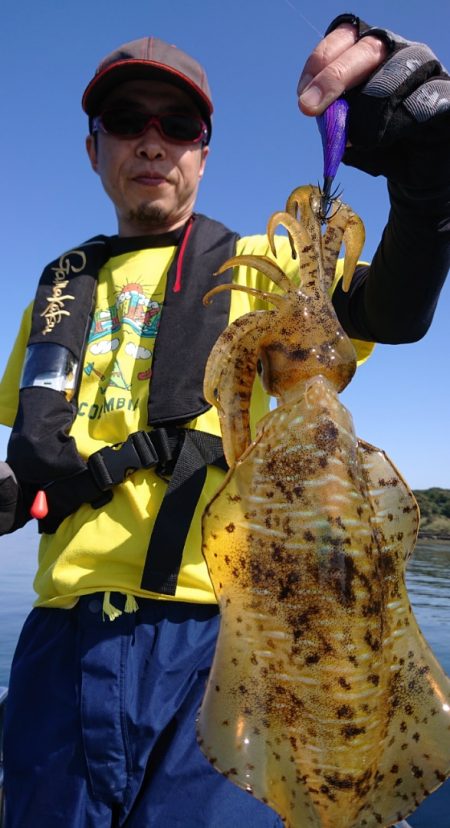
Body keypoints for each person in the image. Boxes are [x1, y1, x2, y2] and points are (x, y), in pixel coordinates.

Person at [0, 12, 449, 828]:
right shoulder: (59, 290)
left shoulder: (263, 265)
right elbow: (31, 447)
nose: (151, 141)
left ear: (203, 150)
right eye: (126, 122)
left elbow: (391, 306)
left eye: (177, 125)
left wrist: (429, 187)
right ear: (93, 147)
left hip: (221, 642)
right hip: (61, 642)